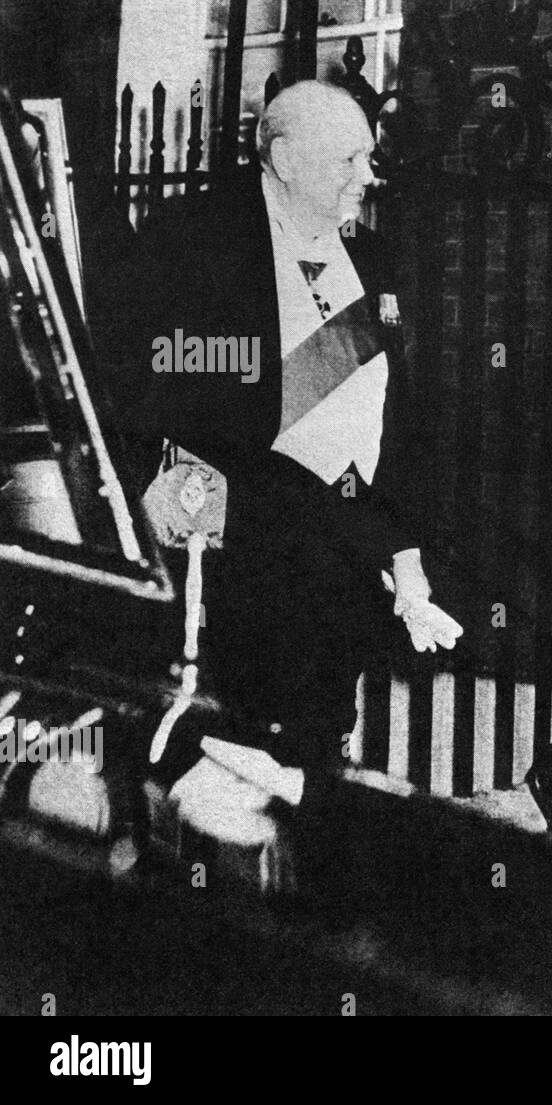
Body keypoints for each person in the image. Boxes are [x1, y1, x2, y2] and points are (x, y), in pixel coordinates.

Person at [106, 81, 460, 784]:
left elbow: (398, 422)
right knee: (226, 772)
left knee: (317, 759)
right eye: (351, 159)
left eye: (370, 158)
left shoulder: (374, 261)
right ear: (287, 158)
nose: (369, 176)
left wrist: (407, 563)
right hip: (237, 574)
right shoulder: (194, 240)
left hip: (343, 574)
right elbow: (138, 397)